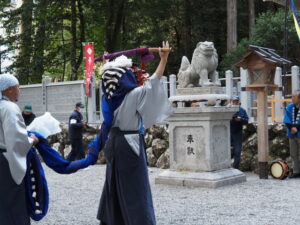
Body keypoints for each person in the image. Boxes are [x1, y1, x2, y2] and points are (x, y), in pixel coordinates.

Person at [91, 42, 173, 225]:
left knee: (114, 183)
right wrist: (163, 60)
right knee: (136, 187)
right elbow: (153, 81)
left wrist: (108, 61)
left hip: (113, 141)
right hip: (130, 143)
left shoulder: (107, 98)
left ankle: (113, 220)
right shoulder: (133, 95)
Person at [0, 74, 39, 225]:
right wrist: (31, 140)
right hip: (5, 160)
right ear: (9, 89)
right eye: (17, 87)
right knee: (12, 201)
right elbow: (16, 139)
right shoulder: (9, 108)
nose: (19, 90)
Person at [283, 90, 300, 178]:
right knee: (293, 153)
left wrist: (296, 128)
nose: (292, 98)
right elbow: (286, 118)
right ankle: (296, 171)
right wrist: (292, 128)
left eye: (294, 96)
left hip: (299, 132)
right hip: (291, 133)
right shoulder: (290, 106)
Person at [230, 96, 249, 169]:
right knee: (228, 151)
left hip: (238, 133)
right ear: (231, 102)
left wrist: (240, 119)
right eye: (233, 102)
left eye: (236, 102)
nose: (235, 103)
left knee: (237, 152)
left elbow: (247, 121)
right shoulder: (226, 109)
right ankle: (226, 168)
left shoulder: (242, 110)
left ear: (239, 102)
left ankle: (235, 168)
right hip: (228, 133)